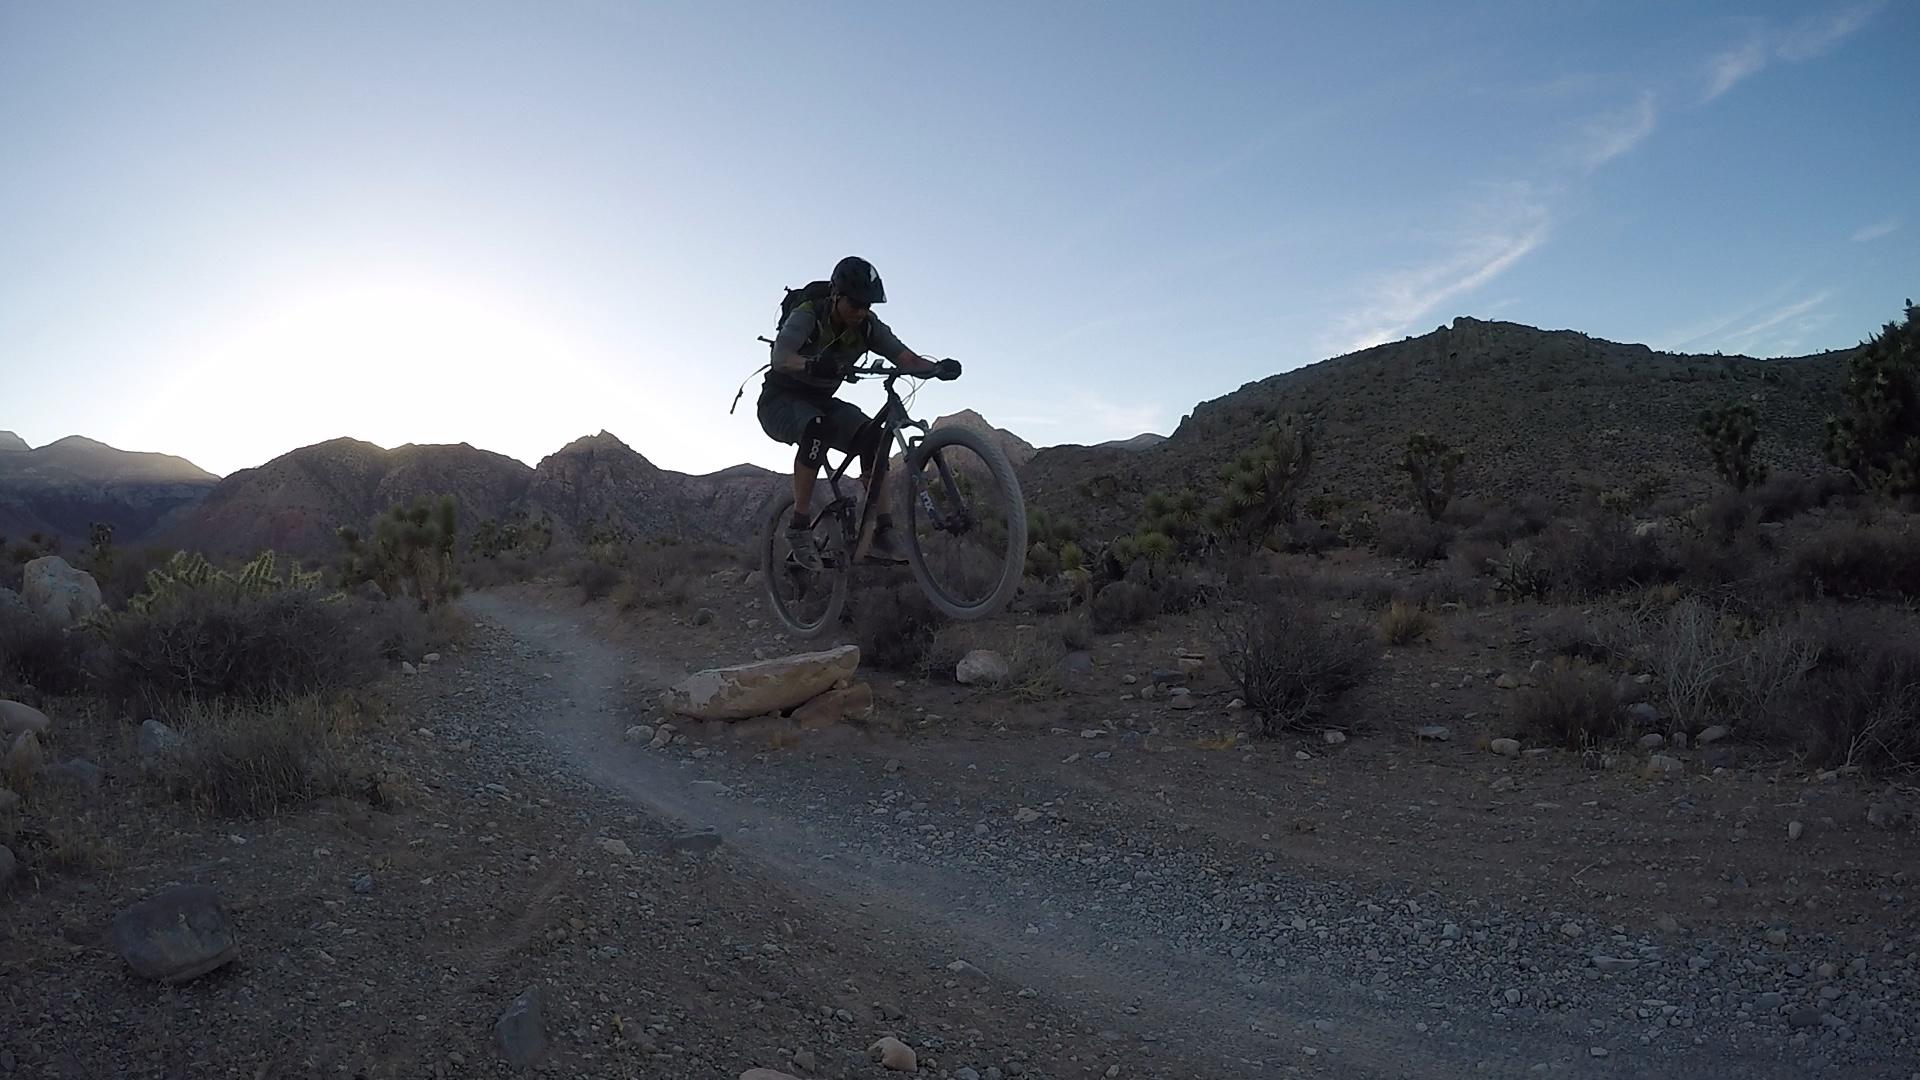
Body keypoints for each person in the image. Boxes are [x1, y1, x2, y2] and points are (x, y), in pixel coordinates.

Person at [757, 256, 960, 568]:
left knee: (874, 437)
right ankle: (798, 526)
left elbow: (906, 358)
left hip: (821, 401)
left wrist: (936, 368)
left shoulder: (867, 327)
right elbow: (780, 356)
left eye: (868, 305)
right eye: (855, 303)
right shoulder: (809, 315)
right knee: (817, 427)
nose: (861, 311)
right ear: (836, 295)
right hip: (779, 400)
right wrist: (810, 363)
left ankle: (883, 528)